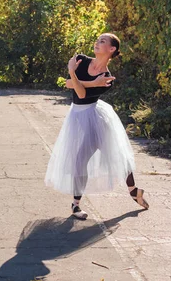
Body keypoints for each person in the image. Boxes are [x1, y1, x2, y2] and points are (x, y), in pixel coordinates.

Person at [45, 33, 148, 220]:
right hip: (77, 115)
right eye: (97, 40)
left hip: (96, 118)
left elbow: (82, 94)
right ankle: (76, 205)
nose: (97, 43)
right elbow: (70, 84)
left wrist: (80, 79)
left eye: (103, 41)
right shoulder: (81, 60)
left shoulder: (107, 78)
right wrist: (78, 75)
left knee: (117, 155)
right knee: (80, 160)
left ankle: (133, 191)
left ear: (112, 49)